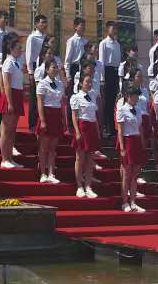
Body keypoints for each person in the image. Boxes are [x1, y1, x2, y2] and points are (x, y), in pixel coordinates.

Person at [70, 66, 101, 198]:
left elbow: (94, 115)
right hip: (82, 128)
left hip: (92, 127)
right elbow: (74, 116)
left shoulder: (93, 95)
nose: (89, 84)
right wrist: (77, 132)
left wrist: (97, 131)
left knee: (90, 159)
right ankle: (79, 186)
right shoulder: (76, 97)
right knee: (80, 158)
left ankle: (88, 186)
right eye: (86, 82)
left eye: (90, 82)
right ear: (81, 83)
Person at [0, 33, 25, 169]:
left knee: (13, 129)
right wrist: (10, 102)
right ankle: (4, 159)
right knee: (6, 129)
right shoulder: (8, 62)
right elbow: (6, 84)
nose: (20, 50)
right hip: (10, 95)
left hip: (17, 94)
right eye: (18, 48)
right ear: (11, 49)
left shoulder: (17, 62)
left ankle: (10, 158)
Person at [116, 85, 146, 212]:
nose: (137, 98)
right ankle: (124, 202)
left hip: (136, 141)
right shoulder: (122, 110)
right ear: (128, 96)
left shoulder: (138, 110)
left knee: (134, 174)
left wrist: (142, 142)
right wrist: (122, 148)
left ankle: (133, 202)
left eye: (137, 96)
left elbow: (140, 128)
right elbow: (120, 130)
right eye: (135, 96)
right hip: (127, 141)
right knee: (127, 173)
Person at [35, 58, 65, 184]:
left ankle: (51, 173)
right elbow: (40, 102)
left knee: (53, 147)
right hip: (47, 114)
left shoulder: (60, 84)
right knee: (44, 147)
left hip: (56, 115)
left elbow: (61, 102)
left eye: (57, 67)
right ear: (47, 70)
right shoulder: (42, 83)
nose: (56, 69)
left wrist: (63, 118)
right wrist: (42, 120)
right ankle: (43, 173)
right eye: (53, 67)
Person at [25, 13, 49, 131]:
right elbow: (29, 55)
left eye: (45, 22)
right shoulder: (32, 37)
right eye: (42, 22)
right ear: (36, 24)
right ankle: (32, 124)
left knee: (45, 95)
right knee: (35, 96)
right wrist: (30, 72)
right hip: (35, 66)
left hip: (46, 66)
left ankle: (42, 121)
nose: (44, 25)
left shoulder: (47, 38)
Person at [99, 21, 122, 137]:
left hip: (116, 72)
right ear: (107, 30)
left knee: (113, 101)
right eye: (113, 29)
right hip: (107, 71)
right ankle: (106, 127)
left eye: (116, 29)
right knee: (107, 102)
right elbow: (102, 61)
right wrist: (102, 78)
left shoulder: (117, 44)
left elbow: (119, 61)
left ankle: (112, 127)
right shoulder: (104, 43)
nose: (115, 31)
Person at [63, 17, 87, 81]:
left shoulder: (85, 41)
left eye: (84, 26)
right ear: (75, 27)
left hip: (84, 68)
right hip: (74, 67)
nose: (83, 27)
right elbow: (68, 58)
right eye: (81, 25)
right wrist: (67, 74)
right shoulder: (72, 40)